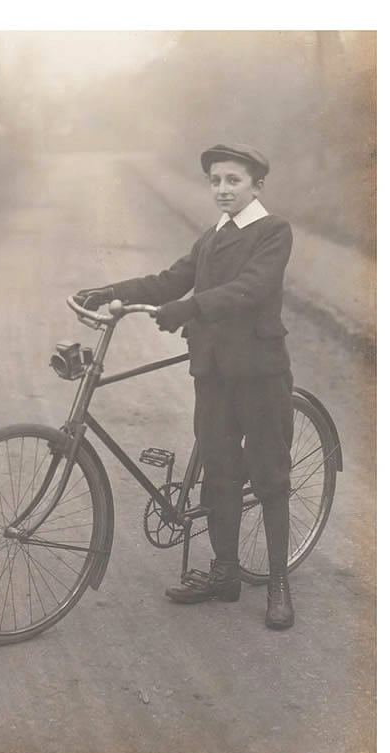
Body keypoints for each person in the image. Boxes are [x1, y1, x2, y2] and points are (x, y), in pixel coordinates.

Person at [75, 143, 295, 630]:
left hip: (259, 374)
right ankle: (225, 574)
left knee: (269, 478)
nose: (222, 189)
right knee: (218, 473)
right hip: (213, 373)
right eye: (215, 181)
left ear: (257, 186)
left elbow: (253, 288)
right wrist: (113, 292)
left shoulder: (273, 231)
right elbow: (169, 280)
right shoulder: (211, 238)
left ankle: (278, 583)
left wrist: (191, 308)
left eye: (233, 181)